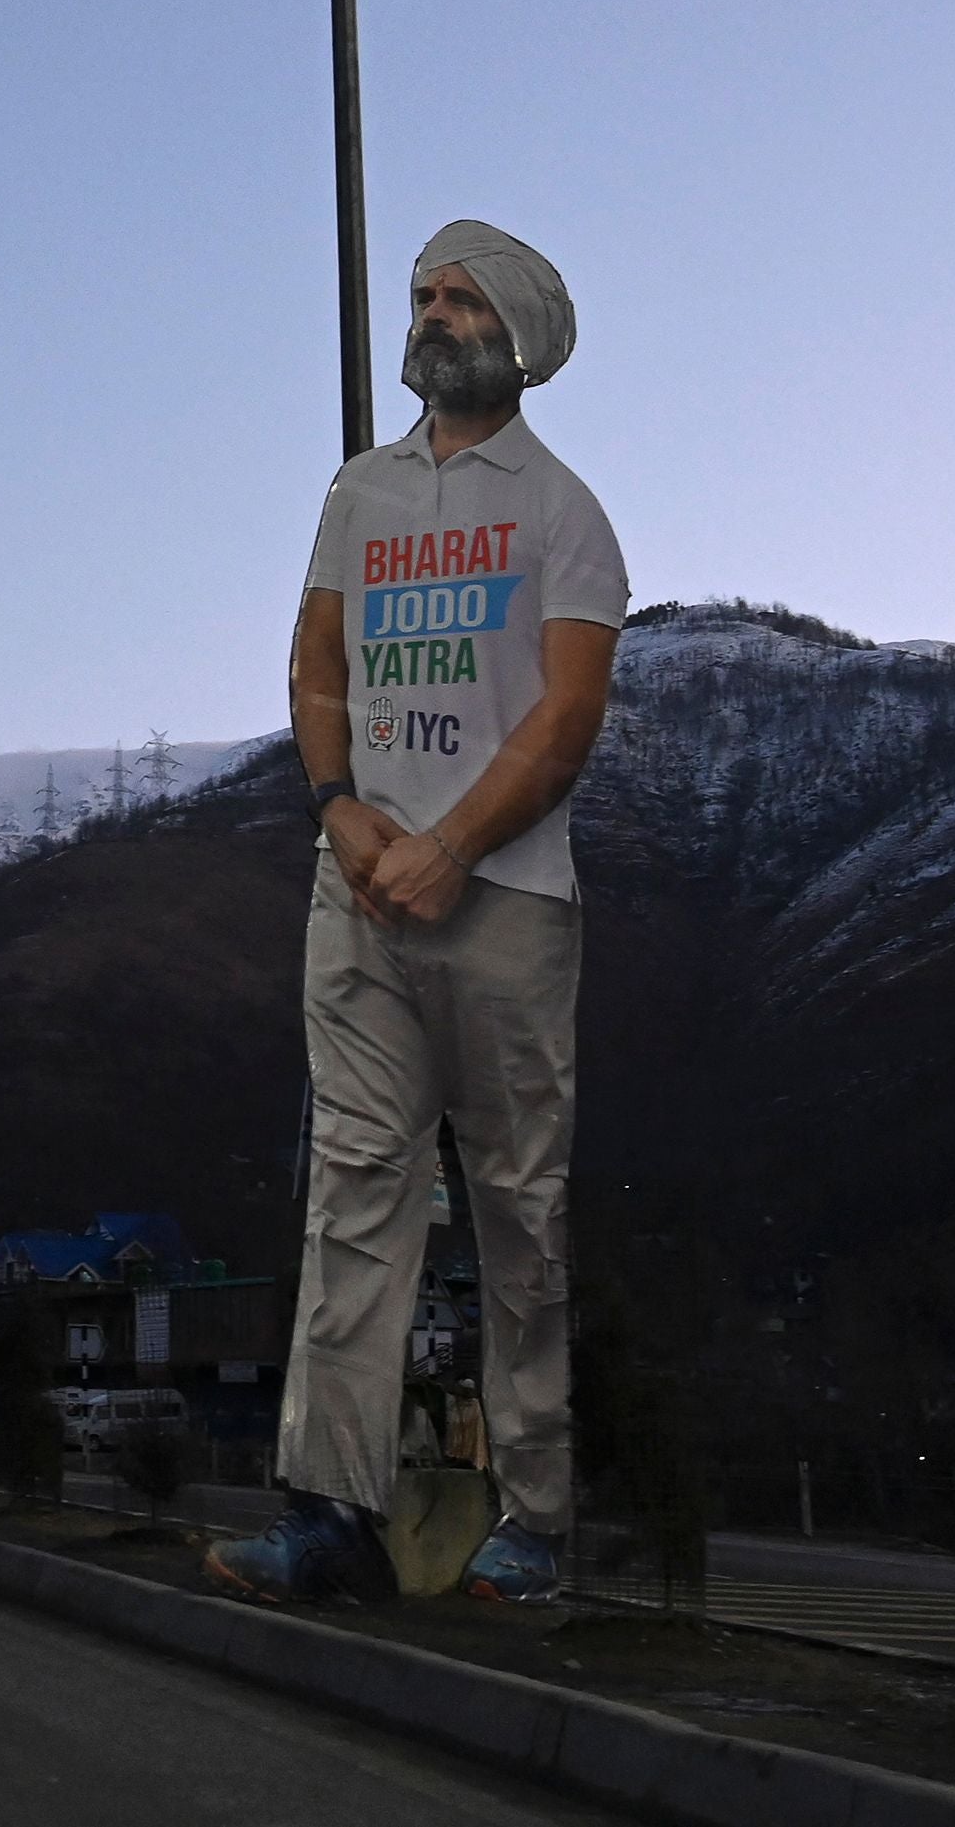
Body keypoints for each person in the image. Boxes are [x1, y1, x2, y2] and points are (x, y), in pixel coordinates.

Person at [210, 220, 627, 1612]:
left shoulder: (562, 511)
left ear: (514, 336)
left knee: (520, 1209)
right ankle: (330, 1511)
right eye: (423, 295)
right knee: (353, 1192)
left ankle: (537, 1520)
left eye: (460, 299)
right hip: (361, 892)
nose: (433, 314)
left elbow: (566, 717)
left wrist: (450, 846)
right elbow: (315, 663)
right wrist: (340, 810)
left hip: (503, 901)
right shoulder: (360, 493)